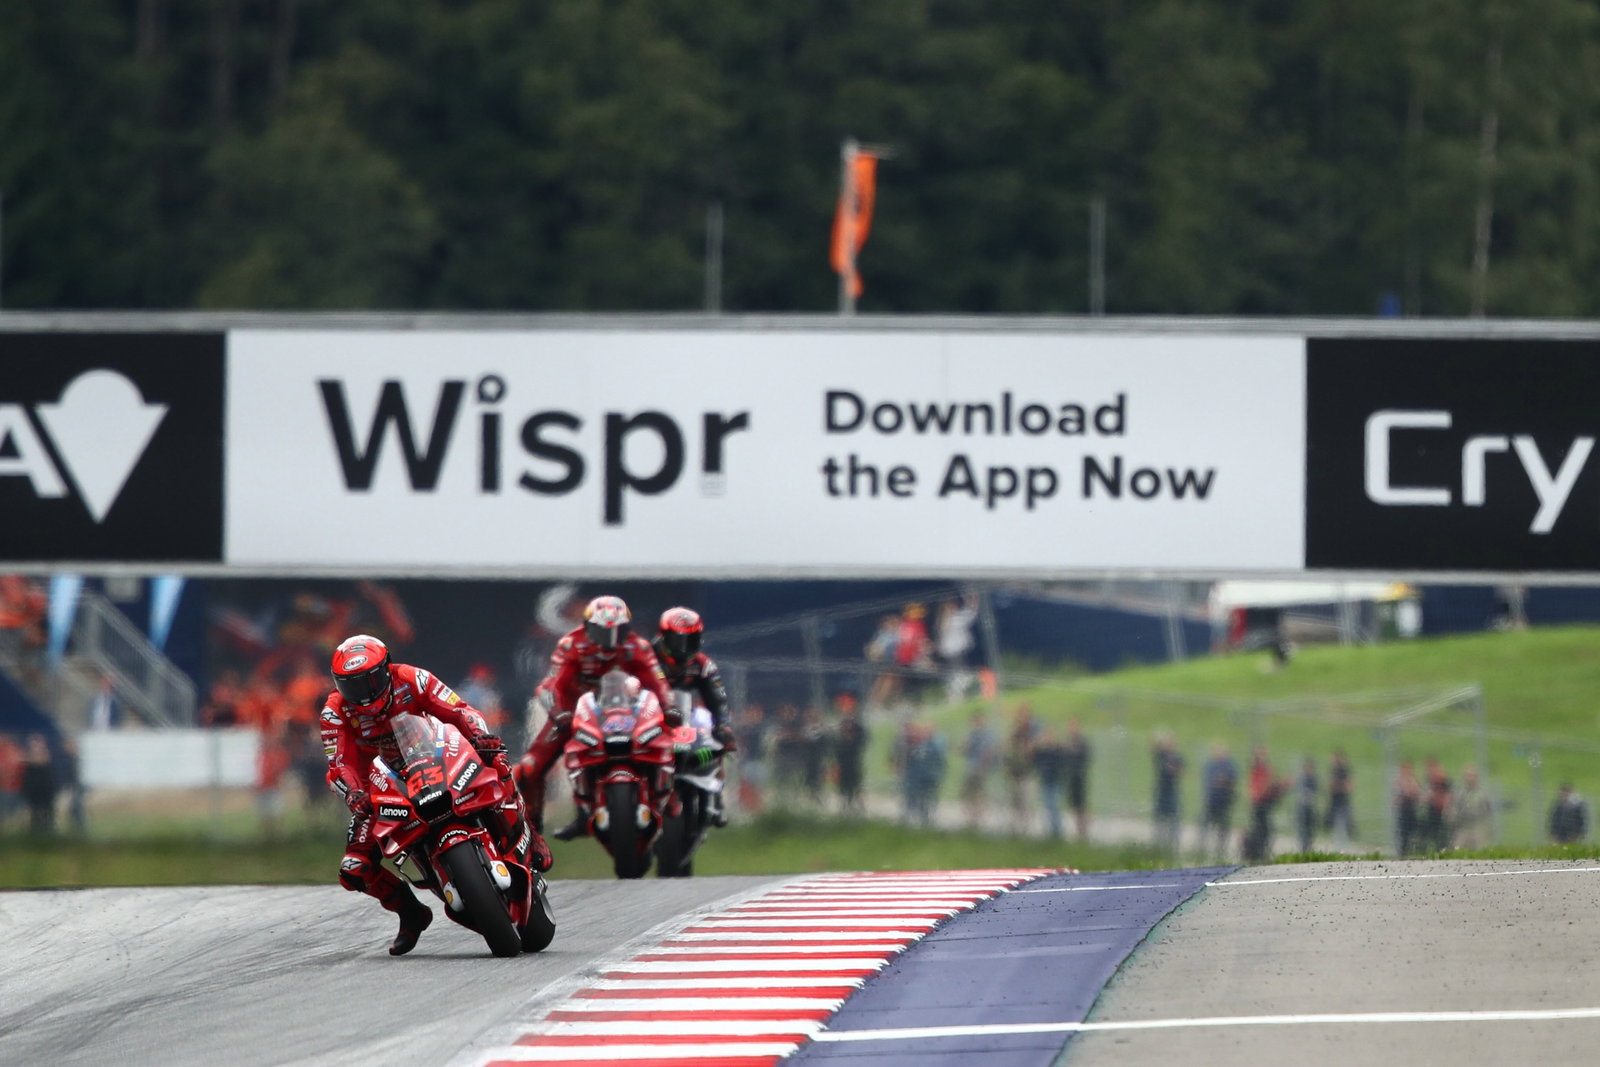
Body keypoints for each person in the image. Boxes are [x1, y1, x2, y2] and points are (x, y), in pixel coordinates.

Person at [320, 633, 547, 956]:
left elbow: (460, 711)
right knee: (354, 867)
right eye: (351, 685)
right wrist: (355, 793)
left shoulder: (413, 678)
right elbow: (338, 765)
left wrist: (481, 737)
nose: (363, 694)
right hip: (381, 783)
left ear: (386, 669)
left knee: (495, 759)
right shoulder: (334, 711)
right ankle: (411, 912)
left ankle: (528, 834)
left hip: (431, 755)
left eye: (370, 681)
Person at [513, 596, 673, 839]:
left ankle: (671, 808)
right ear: (588, 627)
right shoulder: (571, 645)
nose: (610, 641)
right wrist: (558, 712)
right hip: (573, 715)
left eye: (617, 632)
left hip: (627, 714)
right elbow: (551, 685)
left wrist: (668, 708)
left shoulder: (638, 646)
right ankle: (532, 833)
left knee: (677, 744)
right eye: (603, 632)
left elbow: (658, 683)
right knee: (529, 768)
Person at [651, 607, 737, 753]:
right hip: (648, 718)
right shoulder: (645, 656)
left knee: (706, 722)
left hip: (683, 719)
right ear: (663, 636)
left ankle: (711, 773)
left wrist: (723, 726)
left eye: (690, 640)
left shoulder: (703, 664)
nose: (684, 648)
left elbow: (718, 699)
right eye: (678, 641)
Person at [959, 710, 999, 829]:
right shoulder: (971, 734)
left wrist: (985, 766)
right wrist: (963, 745)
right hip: (971, 767)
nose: (976, 723)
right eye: (974, 721)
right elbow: (963, 750)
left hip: (981, 769)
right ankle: (971, 817)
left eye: (978, 720)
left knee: (980, 793)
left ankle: (979, 817)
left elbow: (991, 751)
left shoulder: (988, 735)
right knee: (968, 793)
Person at [1003, 704, 1039, 831]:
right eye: (1021, 715)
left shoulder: (1033, 732)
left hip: (1028, 773)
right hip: (1014, 772)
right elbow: (1007, 751)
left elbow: (1034, 751)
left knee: (1026, 801)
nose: (1023, 718)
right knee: (1014, 802)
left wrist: (1031, 747)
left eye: (1026, 715)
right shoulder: (1014, 733)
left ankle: (1026, 828)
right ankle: (1015, 827)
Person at [1200, 742, 1238, 860]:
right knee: (1207, 823)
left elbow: (1231, 780)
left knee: (1223, 826)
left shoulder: (1229, 766)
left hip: (1224, 801)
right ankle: (1203, 846)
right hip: (1212, 801)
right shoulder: (1211, 766)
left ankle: (1221, 848)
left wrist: (1223, 782)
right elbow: (1209, 782)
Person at [832, 698, 868, 815]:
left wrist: (852, 740)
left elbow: (863, 741)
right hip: (842, 760)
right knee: (843, 784)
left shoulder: (858, 727)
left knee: (855, 783)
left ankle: (857, 804)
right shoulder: (839, 727)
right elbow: (835, 744)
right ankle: (845, 804)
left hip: (853, 759)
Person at [1031, 725, 1068, 839]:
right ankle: (1051, 830)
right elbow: (1034, 761)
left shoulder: (1057, 750)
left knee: (1054, 805)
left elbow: (1061, 763)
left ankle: (1057, 830)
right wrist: (1037, 745)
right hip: (1045, 782)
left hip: (1055, 782)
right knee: (1048, 806)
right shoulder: (1042, 751)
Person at [1151, 731, 1184, 856]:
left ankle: (1174, 847)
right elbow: (1152, 747)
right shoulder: (1161, 756)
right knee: (1159, 821)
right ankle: (1158, 846)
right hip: (1161, 793)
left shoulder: (1177, 757)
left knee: (1173, 820)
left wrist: (1174, 769)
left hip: (1172, 793)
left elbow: (1182, 771)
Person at [1063, 718, 1092, 840]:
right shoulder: (1068, 741)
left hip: (1080, 777)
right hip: (1071, 777)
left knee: (1081, 804)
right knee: (1075, 805)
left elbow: (1085, 757)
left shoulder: (1082, 742)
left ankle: (1083, 829)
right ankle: (1079, 830)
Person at [1452, 766, 1493, 849]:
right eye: (1468, 775)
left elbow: (1490, 810)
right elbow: (1454, 807)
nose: (1470, 778)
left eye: (1472, 775)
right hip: (1463, 827)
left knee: (1479, 850)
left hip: (1477, 826)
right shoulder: (1460, 792)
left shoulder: (1482, 793)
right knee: (1457, 848)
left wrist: (1489, 827)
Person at [1324, 749, 1355, 850]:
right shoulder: (1333, 770)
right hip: (1334, 801)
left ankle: (1343, 847)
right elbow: (1329, 785)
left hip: (1343, 801)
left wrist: (1338, 786)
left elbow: (1349, 785)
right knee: (1335, 825)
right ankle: (1338, 847)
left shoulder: (1345, 770)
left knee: (1344, 824)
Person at [1394, 760, 1422, 856]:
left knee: (1415, 833)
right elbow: (1400, 795)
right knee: (1403, 835)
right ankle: (1403, 853)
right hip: (1404, 811)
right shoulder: (1399, 781)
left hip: (1413, 810)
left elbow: (1416, 793)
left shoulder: (1414, 780)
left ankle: (1415, 852)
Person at [1296, 756, 1319, 854]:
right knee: (1302, 829)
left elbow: (1315, 791)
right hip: (1302, 807)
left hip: (1310, 807)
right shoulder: (1301, 778)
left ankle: (1308, 847)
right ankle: (1303, 848)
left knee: (1310, 829)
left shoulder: (1313, 779)